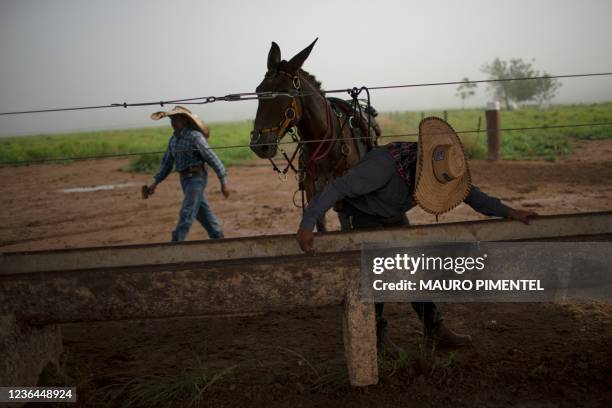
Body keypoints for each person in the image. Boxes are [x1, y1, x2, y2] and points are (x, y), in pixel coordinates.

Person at [296, 117, 537, 350]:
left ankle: (434, 328)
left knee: (413, 265)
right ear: (421, 170)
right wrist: (308, 223)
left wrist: (509, 212)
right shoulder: (382, 166)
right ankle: (374, 336)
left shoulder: (441, 167)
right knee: (377, 268)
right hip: (362, 213)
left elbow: (470, 194)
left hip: (392, 213)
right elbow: (337, 187)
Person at [147, 106, 230, 242]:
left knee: (187, 211)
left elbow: (212, 158)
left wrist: (223, 182)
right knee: (200, 210)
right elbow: (167, 163)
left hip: (197, 178)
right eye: (172, 119)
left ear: (184, 121)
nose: (173, 122)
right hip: (185, 180)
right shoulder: (173, 140)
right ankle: (217, 235)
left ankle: (176, 243)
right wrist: (155, 183)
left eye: (177, 119)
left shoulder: (195, 137)